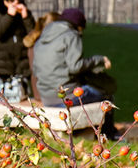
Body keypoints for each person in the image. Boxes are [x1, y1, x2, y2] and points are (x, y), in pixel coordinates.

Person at [31, 8, 119, 140]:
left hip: (46, 97)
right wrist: (98, 60)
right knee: (106, 95)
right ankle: (110, 135)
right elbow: (75, 67)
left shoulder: (44, 35)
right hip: (66, 97)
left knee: (87, 86)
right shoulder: (71, 35)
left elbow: (38, 69)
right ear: (78, 26)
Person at [0, 0, 35, 87]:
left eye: (18, 0)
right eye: (12, 0)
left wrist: (26, 17)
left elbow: (33, 35)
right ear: (5, 1)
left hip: (22, 63)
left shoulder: (25, 14)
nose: (15, 3)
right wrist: (9, 16)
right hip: (2, 63)